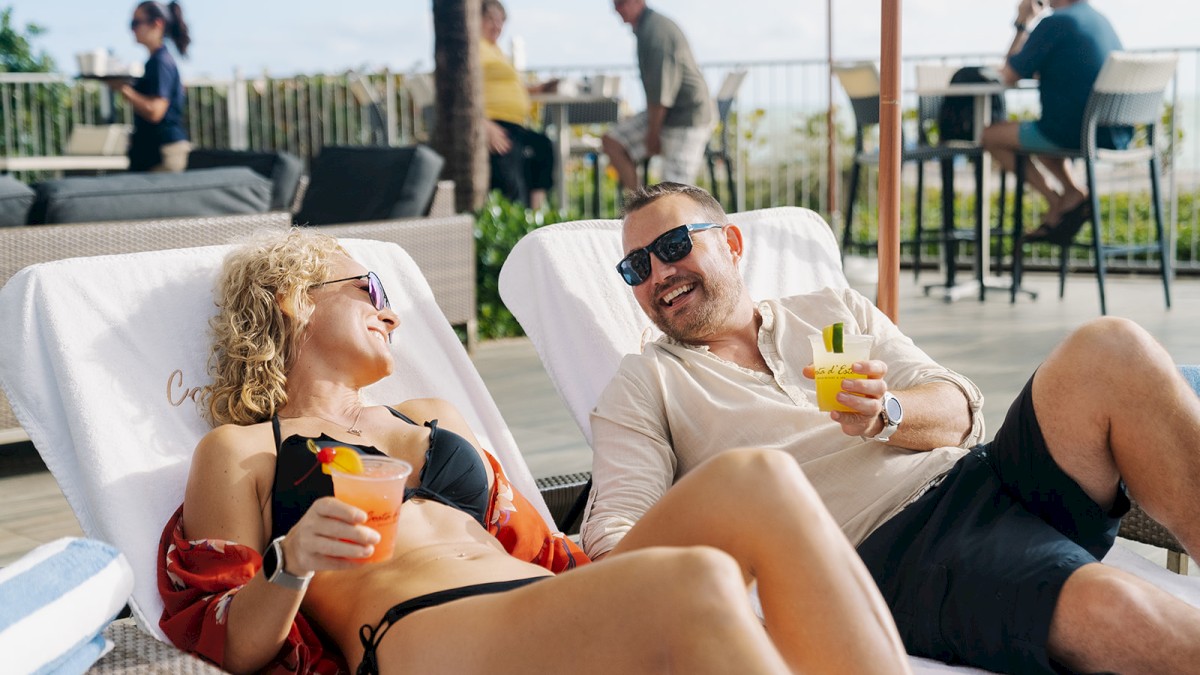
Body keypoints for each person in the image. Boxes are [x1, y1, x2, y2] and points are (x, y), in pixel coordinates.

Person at [156, 228, 911, 674]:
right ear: (296, 297)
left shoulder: (431, 413)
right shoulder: (244, 450)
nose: (388, 310)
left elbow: (543, 547)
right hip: (424, 632)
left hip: (539, 596)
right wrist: (292, 563)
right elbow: (230, 637)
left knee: (760, 476)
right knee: (699, 579)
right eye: (368, 287)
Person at [584, 181, 1200, 675]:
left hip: (982, 475)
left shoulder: (830, 312)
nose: (658, 274)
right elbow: (615, 535)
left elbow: (963, 409)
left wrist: (888, 413)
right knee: (1113, 604)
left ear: (732, 243)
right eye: (635, 267)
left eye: (672, 246)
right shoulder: (645, 384)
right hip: (905, 549)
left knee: (1112, 348)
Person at [980, 0, 1129, 244]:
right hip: (1114, 132)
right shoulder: (1098, 19)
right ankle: (1072, 193)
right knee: (1044, 141)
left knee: (989, 136)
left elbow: (1008, 75)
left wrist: (1022, 23)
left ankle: (1056, 202)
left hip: (1073, 133)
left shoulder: (1055, 23)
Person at [602, 0, 713, 192]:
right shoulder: (647, 27)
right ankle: (642, 204)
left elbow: (662, 94)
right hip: (668, 112)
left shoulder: (655, 32)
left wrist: (653, 133)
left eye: (622, 3)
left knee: (675, 193)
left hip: (687, 116)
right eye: (615, 3)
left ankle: (658, 212)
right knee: (613, 142)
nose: (617, 9)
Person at [480, 0, 556, 210]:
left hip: (515, 125)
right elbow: (460, 92)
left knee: (543, 146)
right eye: (491, 19)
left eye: (500, 21)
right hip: (495, 124)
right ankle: (516, 222)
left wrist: (540, 88)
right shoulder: (472, 49)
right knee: (513, 174)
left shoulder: (497, 51)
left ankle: (535, 216)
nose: (497, 26)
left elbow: (514, 87)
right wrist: (483, 124)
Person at [109, 1, 191, 172]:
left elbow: (155, 111)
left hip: (165, 154)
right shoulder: (158, 61)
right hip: (157, 151)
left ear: (157, 24)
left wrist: (124, 89)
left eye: (136, 23)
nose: (132, 30)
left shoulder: (160, 62)